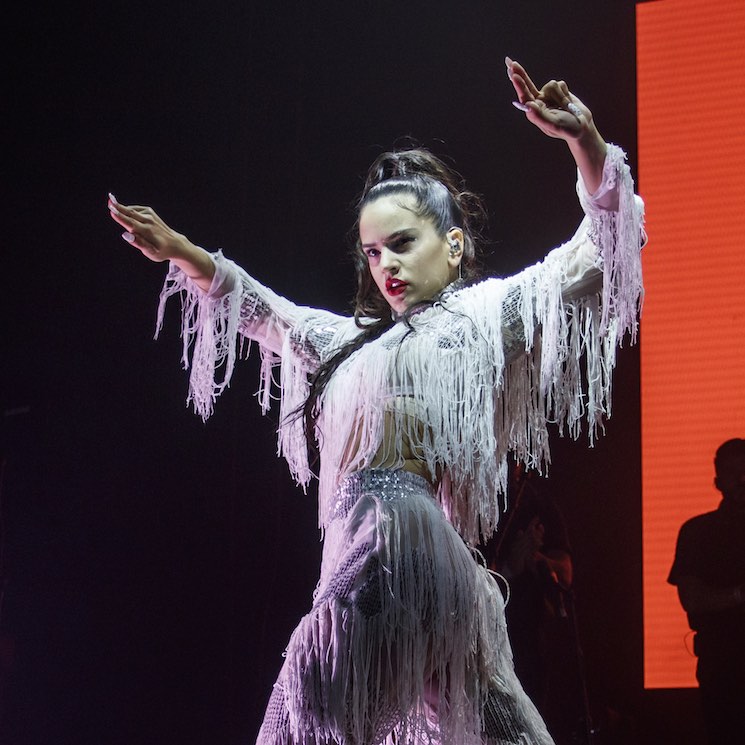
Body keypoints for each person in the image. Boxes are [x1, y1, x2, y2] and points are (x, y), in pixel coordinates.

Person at [108, 57, 644, 745]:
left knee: (312, 716)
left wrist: (585, 141)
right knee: (498, 726)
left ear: (453, 246)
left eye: (401, 244)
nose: (384, 264)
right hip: (412, 571)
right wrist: (182, 250)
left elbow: (596, 253)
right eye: (370, 253)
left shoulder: (482, 314)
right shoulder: (348, 341)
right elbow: (266, 311)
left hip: (389, 552)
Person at [668, 438, 745, 745]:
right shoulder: (698, 532)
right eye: (734, 471)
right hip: (723, 666)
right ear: (717, 480)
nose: (742, 479)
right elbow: (692, 599)